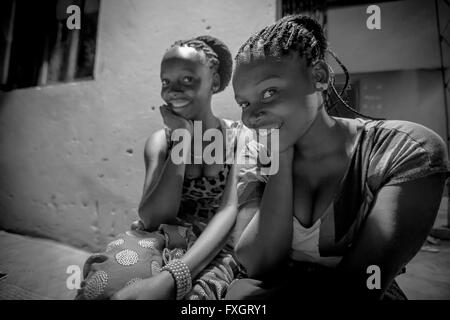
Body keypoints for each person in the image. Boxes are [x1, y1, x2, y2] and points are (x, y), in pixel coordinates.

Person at [225, 15, 449, 300]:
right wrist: (281, 158)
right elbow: (257, 262)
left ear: (319, 77)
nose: (250, 116)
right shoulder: (258, 154)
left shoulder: (406, 149)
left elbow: (361, 285)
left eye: (269, 92)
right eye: (244, 103)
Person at [78, 35, 243, 300]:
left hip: (217, 245)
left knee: (196, 301)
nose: (173, 90)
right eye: (166, 82)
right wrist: (182, 141)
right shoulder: (160, 141)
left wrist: (175, 275)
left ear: (214, 81)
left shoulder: (240, 137)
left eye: (187, 79)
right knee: (107, 285)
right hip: (161, 235)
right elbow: (154, 218)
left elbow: (229, 211)